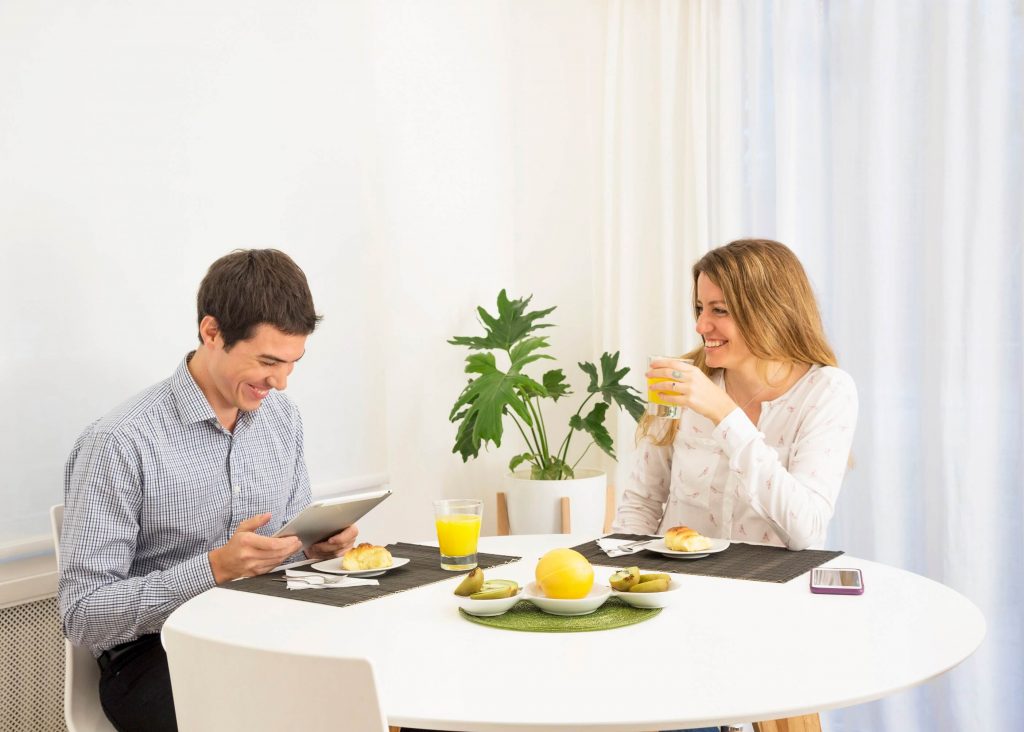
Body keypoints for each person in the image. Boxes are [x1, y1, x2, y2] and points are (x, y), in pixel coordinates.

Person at [58, 249, 359, 732]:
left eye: (292, 363)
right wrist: (216, 568)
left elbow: (288, 551)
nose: (280, 383)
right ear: (212, 332)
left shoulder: (282, 420)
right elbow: (83, 615)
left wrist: (315, 547)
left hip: (269, 628)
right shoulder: (118, 442)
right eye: (267, 361)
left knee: (379, 688)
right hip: (156, 655)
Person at [614, 238, 858, 551]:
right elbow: (641, 505)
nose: (701, 325)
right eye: (701, 308)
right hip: (679, 586)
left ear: (771, 313)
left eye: (720, 310)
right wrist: (621, 579)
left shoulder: (827, 391)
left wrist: (725, 414)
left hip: (772, 592)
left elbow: (805, 532)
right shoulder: (684, 379)